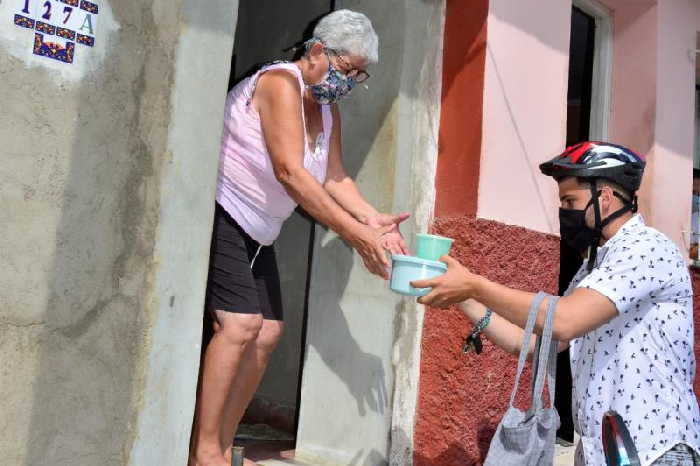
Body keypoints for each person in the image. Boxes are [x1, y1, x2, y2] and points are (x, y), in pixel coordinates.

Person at [188, 10, 409, 466]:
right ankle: (204, 452)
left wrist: (375, 222)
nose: (349, 83)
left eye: (358, 76)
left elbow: (335, 178)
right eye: (348, 71)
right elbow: (291, 172)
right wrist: (354, 235)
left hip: (258, 230)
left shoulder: (326, 111)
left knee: (268, 334)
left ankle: (225, 445)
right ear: (316, 51)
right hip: (224, 210)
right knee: (240, 325)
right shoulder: (279, 83)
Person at [413, 142, 700, 465]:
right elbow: (537, 342)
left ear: (604, 197)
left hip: (653, 451)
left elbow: (564, 320)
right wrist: (462, 297)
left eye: (570, 201)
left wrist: (476, 285)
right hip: (602, 452)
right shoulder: (596, 267)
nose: (564, 212)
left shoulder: (647, 248)